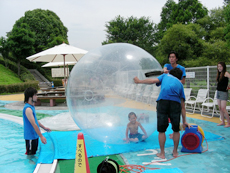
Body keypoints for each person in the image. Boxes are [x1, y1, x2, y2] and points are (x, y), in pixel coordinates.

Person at [134, 68, 189, 159]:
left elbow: (152, 81)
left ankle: (162, 153)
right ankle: (175, 152)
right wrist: (184, 121)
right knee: (176, 130)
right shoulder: (180, 84)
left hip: (163, 102)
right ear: (179, 77)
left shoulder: (165, 75)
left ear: (171, 72)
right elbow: (183, 106)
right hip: (175, 104)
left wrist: (139, 81)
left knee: (161, 130)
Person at [23, 87, 51, 156]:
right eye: (35, 95)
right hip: (30, 137)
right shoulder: (28, 109)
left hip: (34, 136)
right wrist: (41, 136)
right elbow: (34, 124)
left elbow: (35, 120)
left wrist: (44, 127)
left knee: (34, 153)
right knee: (30, 155)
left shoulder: (32, 107)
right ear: (30, 97)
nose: (36, 96)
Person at [216, 62, 230, 128]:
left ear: (223, 67)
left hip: (224, 92)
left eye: (220, 66)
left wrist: (229, 86)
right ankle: (223, 122)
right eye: (218, 66)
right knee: (220, 108)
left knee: (223, 108)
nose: (219, 68)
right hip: (218, 91)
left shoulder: (225, 73)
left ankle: (228, 122)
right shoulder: (219, 74)